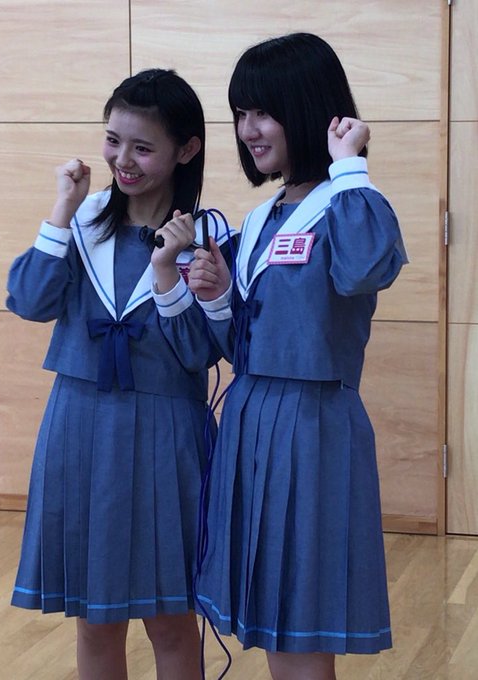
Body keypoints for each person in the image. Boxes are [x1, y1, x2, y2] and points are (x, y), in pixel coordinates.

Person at [186, 33, 408, 680]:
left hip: (313, 422)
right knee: (271, 614)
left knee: (302, 614)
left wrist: (350, 165)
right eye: (240, 113)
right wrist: (218, 298)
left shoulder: (350, 204)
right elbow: (241, 344)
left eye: (264, 112)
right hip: (250, 415)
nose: (248, 130)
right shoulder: (259, 220)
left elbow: (364, 270)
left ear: (309, 108)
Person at [6, 68, 235, 680]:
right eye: (113, 141)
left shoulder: (211, 238)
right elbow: (29, 300)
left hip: (167, 431)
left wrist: (168, 274)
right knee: (94, 617)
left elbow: (203, 353)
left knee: (171, 618)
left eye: (142, 147)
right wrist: (62, 208)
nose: (122, 160)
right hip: (78, 426)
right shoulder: (81, 221)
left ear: (186, 150)